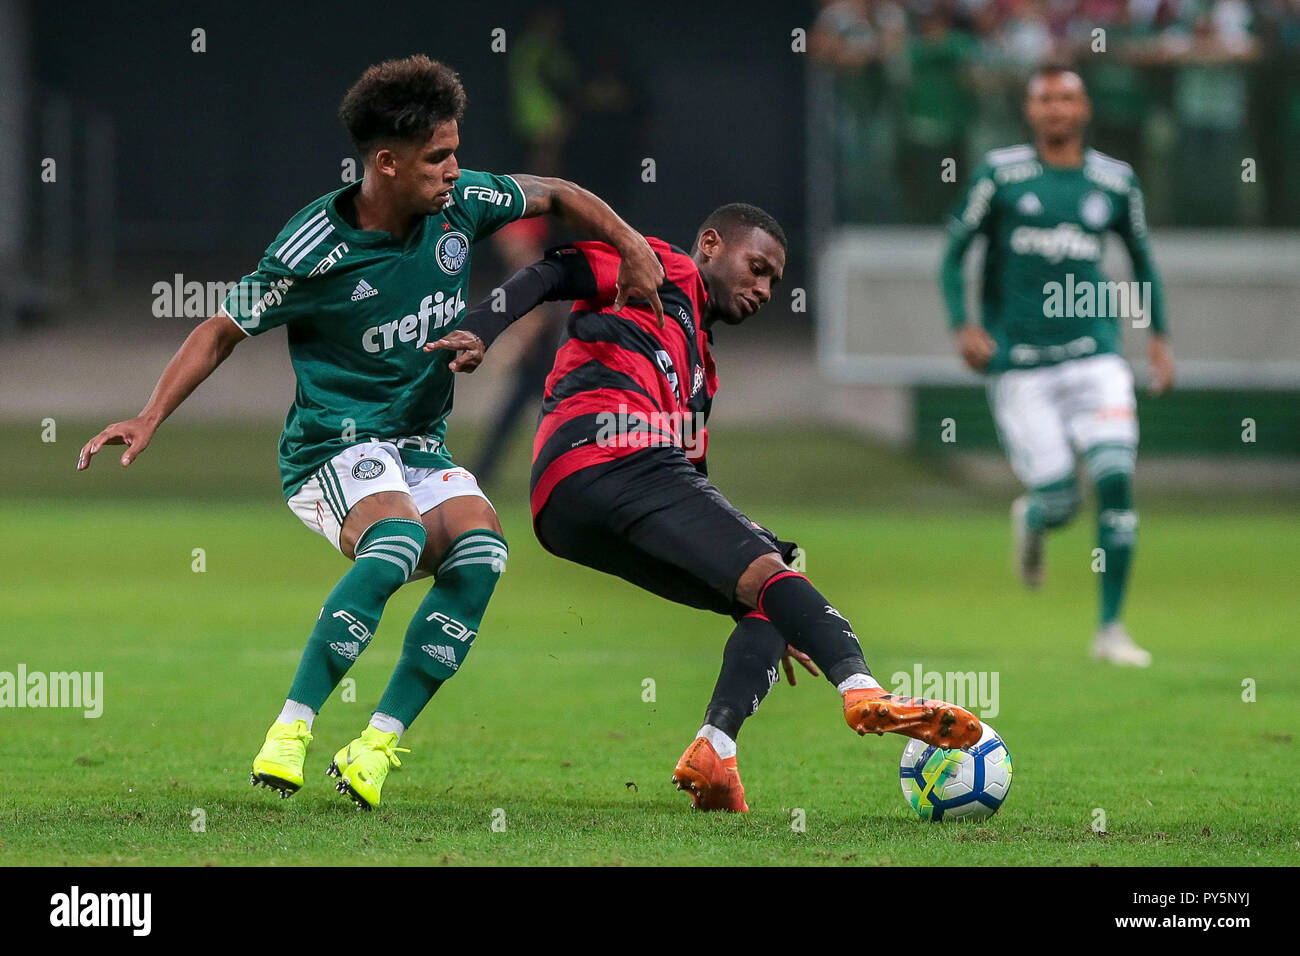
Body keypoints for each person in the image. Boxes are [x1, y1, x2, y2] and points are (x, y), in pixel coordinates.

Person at [76, 55, 665, 810]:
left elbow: (562, 194)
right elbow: (221, 329)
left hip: (417, 443)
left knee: (483, 553)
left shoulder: (462, 206)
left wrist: (635, 248)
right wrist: (150, 413)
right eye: (438, 158)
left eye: (456, 151)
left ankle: (376, 745)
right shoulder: (311, 248)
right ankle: (290, 728)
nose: (456, 170)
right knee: (396, 544)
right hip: (332, 446)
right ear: (385, 162)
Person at [428, 203, 982, 812]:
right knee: (777, 568)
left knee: (773, 572)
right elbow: (555, 271)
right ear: (711, 244)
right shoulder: (659, 266)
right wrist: (482, 324)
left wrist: (776, 596)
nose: (765, 289)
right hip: (608, 450)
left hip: (568, 507)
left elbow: (694, 488)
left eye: (774, 280)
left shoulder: (700, 373)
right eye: (757, 268)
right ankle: (861, 689)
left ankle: (715, 750)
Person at [939, 67, 1175, 667]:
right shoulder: (1001, 174)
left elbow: (1143, 260)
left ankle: (1111, 629)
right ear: (1030, 109)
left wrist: (1159, 339)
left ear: (1085, 107)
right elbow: (954, 250)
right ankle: (1037, 515)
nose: (1056, 108)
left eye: (1067, 96)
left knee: (1117, 477)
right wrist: (963, 325)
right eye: (1045, 98)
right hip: (1020, 366)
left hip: (1096, 356)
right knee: (1063, 503)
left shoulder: (1114, 181)